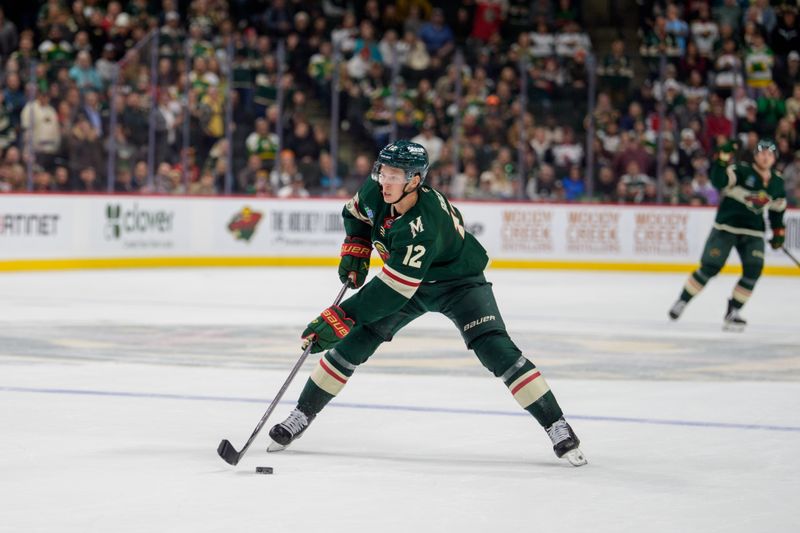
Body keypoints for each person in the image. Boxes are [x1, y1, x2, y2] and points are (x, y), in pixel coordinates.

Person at [267, 140, 587, 466]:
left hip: (458, 283)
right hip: (409, 281)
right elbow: (354, 214)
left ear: (416, 180)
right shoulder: (376, 190)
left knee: (496, 350)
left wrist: (341, 316)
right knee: (354, 344)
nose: (385, 181)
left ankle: (556, 424)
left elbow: (392, 291)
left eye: (396, 175)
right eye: (383, 172)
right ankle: (301, 414)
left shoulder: (423, 224)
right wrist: (357, 245)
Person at [668, 139, 787, 330]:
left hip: (753, 231)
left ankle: (734, 310)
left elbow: (777, 209)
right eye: (762, 153)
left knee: (754, 269)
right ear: (755, 156)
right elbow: (718, 181)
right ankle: (682, 300)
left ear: (774, 158)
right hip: (726, 228)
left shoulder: (777, 182)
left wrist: (778, 232)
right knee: (710, 266)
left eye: (770, 154)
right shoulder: (740, 171)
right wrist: (722, 161)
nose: (765, 157)